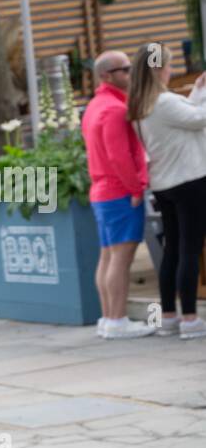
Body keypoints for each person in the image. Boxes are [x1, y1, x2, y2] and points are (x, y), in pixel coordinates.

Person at [126, 43, 206, 340]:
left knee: (172, 250)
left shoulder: (140, 105)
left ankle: (168, 316)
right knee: (189, 249)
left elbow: (190, 115)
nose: (171, 70)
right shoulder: (164, 102)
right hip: (189, 181)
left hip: (164, 184)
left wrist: (198, 91)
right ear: (159, 69)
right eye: (169, 65)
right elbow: (199, 119)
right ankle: (190, 319)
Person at [82, 51, 155, 339]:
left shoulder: (95, 106)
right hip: (118, 192)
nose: (131, 73)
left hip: (103, 191)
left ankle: (108, 318)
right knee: (121, 259)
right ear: (106, 76)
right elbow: (118, 155)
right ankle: (117, 320)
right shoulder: (113, 109)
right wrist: (135, 188)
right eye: (124, 69)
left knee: (108, 257)